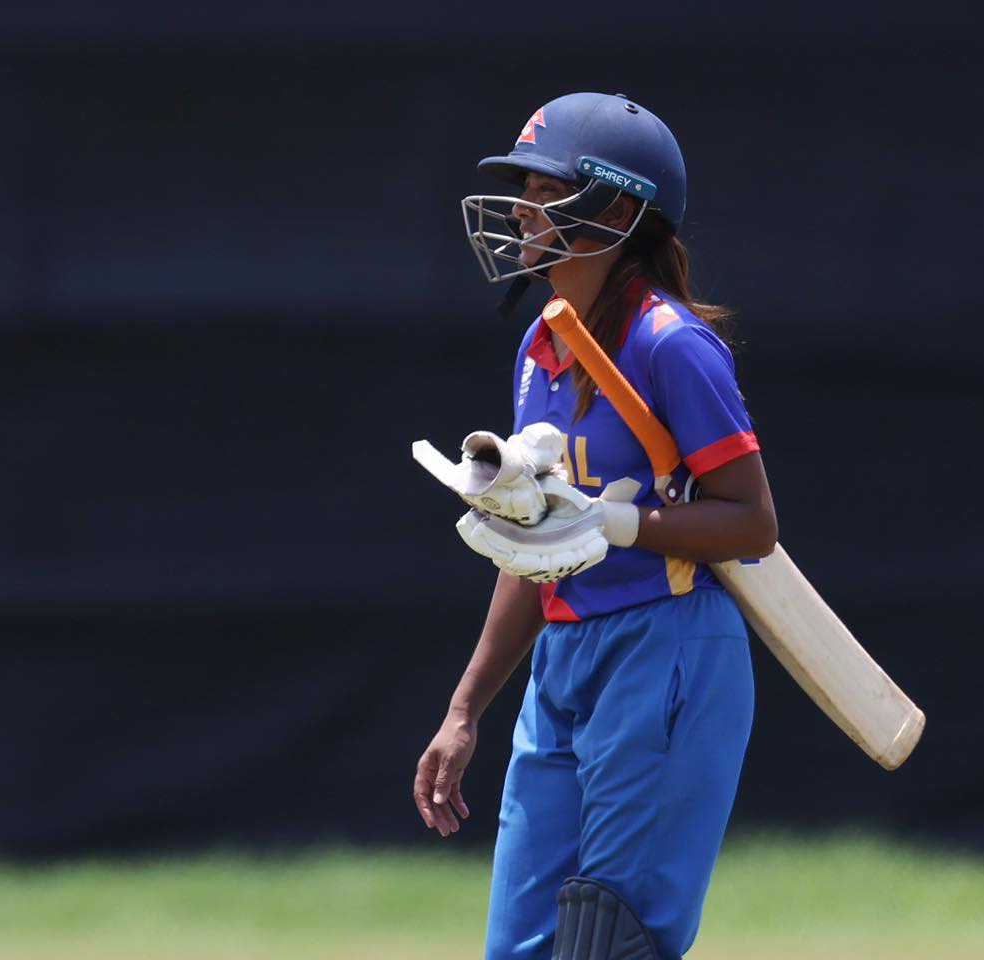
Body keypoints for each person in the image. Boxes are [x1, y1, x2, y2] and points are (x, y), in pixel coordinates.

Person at [412, 92, 779, 960]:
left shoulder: (669, 343)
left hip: (669, 645)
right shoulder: (542, 348)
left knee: (610, 940)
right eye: (524, 190)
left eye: (546, 190)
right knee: (523, 948)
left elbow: (752, 523)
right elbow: (534, 542)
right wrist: (464, 710)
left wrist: (614, 521)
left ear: (616, 212)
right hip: (565, 657)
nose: (521, 210)